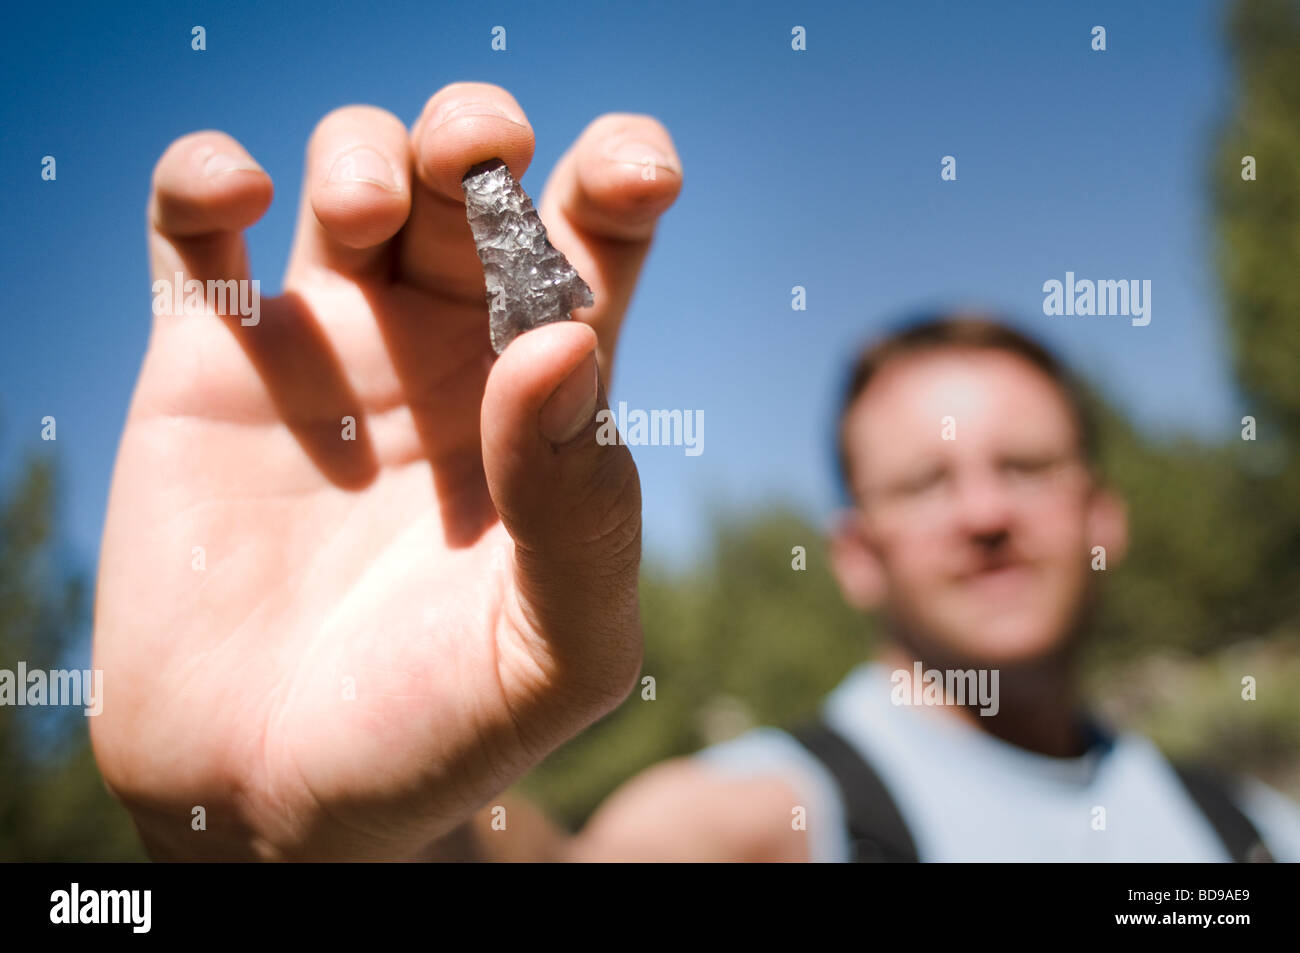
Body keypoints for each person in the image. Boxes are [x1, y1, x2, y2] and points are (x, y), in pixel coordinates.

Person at [91, 81, 1299, 862]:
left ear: (1104, 515)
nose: (982, 513)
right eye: (923, 485)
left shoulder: (1254, 830)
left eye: (1024, 468)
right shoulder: (752, 822)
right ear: (853, 553)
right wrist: (282, 831)